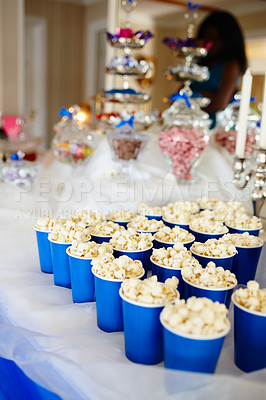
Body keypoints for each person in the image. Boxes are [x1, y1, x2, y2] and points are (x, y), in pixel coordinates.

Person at [190, 11, 247, 126]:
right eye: (206, 39)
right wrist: (205, 96)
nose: (210, 44)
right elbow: (177, 96)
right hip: (190, 122)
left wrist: (192, 97)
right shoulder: (200, 63)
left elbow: (218, 104)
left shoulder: (231, 65)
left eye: (216, 39)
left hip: (211, 126)